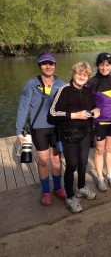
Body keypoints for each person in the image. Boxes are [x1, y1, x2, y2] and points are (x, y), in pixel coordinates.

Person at [49, 62, 100, 213]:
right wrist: (74, 115)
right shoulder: (64, 90)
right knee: (71, 165)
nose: (82, 77)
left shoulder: (87, 91)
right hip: (68, 133)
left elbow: (92, 108)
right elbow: (52, 113)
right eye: (79, 73)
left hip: (85, 133)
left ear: (88, 77)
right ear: (73, 74)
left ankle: (81, 187)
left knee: (83, 163)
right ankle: (70, 196)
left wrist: (96, 110)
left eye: (85, 75)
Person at [16, 51, 66, 206]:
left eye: (51, 63)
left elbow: (68, 107)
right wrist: (19, 130)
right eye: (44, 63)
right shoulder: (31, 84)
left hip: (56, 128)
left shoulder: (62, 84)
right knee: (43, 161)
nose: (48, 66)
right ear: (39, 66)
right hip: (38, 128)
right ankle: (46, 191)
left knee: (56, 159)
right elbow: (23, 107)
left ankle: (57, 188)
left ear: (55, 65)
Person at [89, 53, 111, 191]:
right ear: (97, 66)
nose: (104, 67)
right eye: (101, 64)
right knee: (99, 150)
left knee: (110, 149)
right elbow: (86, 101)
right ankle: (100, 178)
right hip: (99, 123)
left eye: (107, 65)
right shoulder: (92, 82)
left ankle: (109, 174)